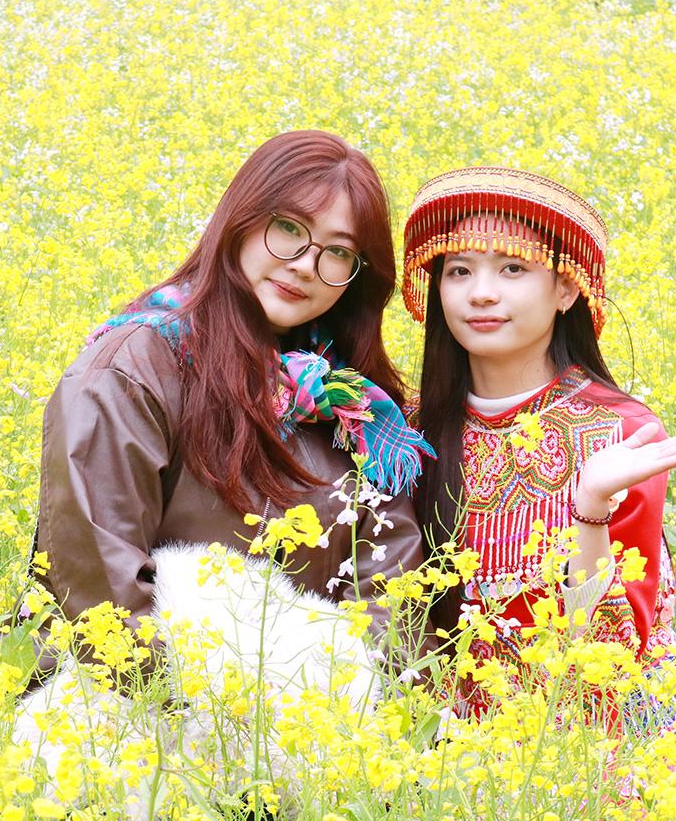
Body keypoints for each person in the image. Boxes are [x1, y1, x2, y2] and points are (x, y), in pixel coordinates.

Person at [32, 130, 432, 677]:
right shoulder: (134, 368)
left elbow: (394, 598)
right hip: (133, 705)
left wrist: (342, 706)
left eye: (338, 252)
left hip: (312, 715)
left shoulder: (355, 406)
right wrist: (217, 711)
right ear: (241, 219)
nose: (305, 264)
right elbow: (100, 588)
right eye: (289, 228)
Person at [402, 166, 676, 733]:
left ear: (567, 288)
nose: (481, 292)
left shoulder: (620, 431)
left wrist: (592, 507)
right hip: (449, 732)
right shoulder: (407, 431)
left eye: (513, 268)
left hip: (593, 733)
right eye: (459, 270)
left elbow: (611, 664)